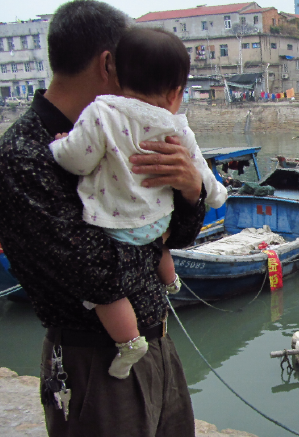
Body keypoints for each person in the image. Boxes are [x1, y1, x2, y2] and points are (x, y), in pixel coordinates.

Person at [0, 1, 203, 437]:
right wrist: (151, 241)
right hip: (96, 361)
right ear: (110, 65)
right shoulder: (28, 155)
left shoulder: (129, 135)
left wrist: (191, 188)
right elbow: (93, 269)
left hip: (156, 342)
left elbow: (178, 235)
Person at [49, 27, 227, 379]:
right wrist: (213, 193)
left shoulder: (101, 113)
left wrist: (58, 145)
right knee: (156, 244)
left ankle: (128, 341)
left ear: (116, 72)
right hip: (157, 225)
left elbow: (78, 161)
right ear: (176, 93)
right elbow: (203, 174)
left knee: (103, 295)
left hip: (115, 228)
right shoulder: (176, 126)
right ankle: (172, 281)